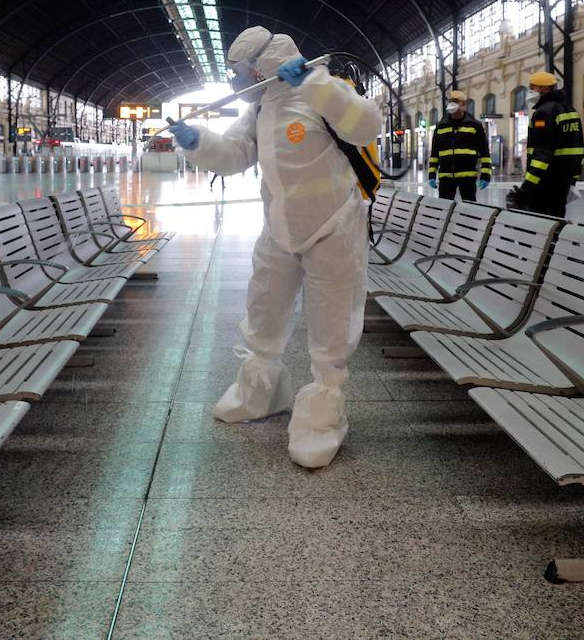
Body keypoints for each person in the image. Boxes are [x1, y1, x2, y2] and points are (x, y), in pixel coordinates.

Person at [165, 26, 382, 469]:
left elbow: (366, 125)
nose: (234, 81)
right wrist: (200, 142)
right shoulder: (261, 107)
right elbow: (235, 154)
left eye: (237, 71)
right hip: (279, 228)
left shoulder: (324, 89)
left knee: (331, 323)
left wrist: (316, 84)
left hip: (332, 226)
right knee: (264, 309)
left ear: (261, 66)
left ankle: (322, 418)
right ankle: (259, 392)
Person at [508, 70, 584, 218]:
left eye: (533, 87)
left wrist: (527, 187)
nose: (530, 91)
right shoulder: (570, 111)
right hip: (563, 181)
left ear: (545, 89)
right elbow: (579, 148)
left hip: (545, 182)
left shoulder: (544, 113)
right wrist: (573, 179)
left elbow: (542, 154)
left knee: (540, 226)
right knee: (556, 221)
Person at [426, 90, 491, 201]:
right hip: (446, 177)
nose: (452, 104)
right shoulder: (441, 126)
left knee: (469, 208)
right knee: (445, 209)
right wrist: (432, 174)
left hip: (468, 177)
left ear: (464, 104)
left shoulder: (475, 125)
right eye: (450, 101)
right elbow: (435, 153)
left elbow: (484, 152)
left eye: (456, 101)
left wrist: (486, 174)